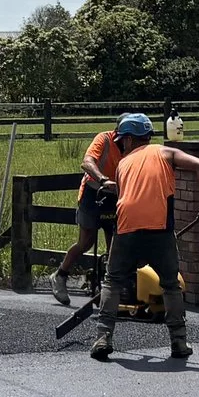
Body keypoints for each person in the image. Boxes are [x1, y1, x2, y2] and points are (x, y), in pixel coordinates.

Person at [91, 111, 199, 365]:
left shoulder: (123, 164)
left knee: (112, 282)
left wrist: (111, 187)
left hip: (126, 229)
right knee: (170, 285)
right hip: (160, 230)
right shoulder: (165, 153)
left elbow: (127, 193)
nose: (122, 145)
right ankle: (178, 342)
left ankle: (103, 339)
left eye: (123, 141)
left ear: (131, 139)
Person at [51, 118, 130, 308]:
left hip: (117, 195)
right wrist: (103, 179)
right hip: (93, 192)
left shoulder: (136, 146)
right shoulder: (103, 140)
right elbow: (87, 162)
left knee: (115, 243)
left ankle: (111, 287)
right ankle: (60, 275)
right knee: (86, 242)